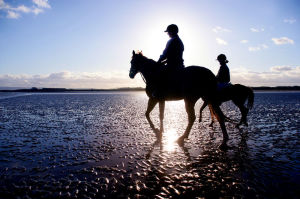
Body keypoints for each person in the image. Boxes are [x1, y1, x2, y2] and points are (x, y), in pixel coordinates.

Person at [153, 24, 184, 99]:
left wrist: (158, 62)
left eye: (168, 32)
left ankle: (159, 92)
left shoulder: (172, 41)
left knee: (159, 73)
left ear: (172, 32)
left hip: (173, 65)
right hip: (179, 64)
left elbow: (165, 54)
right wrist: (164, 61)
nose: (168, 34)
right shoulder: (179, 41)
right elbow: (172, 55)